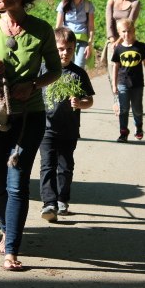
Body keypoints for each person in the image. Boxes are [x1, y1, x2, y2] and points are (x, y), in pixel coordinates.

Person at [0, 0, 62, 271]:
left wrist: (34, 85)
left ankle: (11, 248)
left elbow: (55, 70)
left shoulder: (42, 30)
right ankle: (6, 226)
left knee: (17, 183)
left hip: (30, 117)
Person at [39, 27, 95, 222]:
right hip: (45, 128)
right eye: (60, 49)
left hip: (69, 130)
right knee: (47, 165)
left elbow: (90, 100)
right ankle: (49, 203)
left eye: (69, 49)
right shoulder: (44, 69)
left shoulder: (78, 74)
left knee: (65, 166)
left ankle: (62, 199)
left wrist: (80, 103)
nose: (64, 53)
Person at [111, 18, 145, 142]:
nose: (127, 34)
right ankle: (123, 132)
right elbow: (115, 67)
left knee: (137, 108)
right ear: (119, 33)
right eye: (123, 31)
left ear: (134, 30)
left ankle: (139, 126)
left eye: (129, 31)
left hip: (137, 84)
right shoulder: (118, 49)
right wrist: (114, 85)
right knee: (123, 109)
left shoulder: (140, 47)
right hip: (122, 83)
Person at [104, 0, 141, 90]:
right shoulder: (111, 1)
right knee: (112, 70)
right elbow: (109, 22)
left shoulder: (135, 3)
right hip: (113, 40)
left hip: (127, 40)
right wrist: (112, 41)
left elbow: (130, 23)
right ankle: (116, 97)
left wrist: (120, 41)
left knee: (127, 70)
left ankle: (127, 94)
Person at [55, 0, 95, 69]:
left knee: (79, 66)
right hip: (67, 39)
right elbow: (58, 26)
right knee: (66, 64)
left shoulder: (88, 5)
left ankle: (77, 82)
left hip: (82, 40)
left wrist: (90, 44)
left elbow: (91, 26)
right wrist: (57, 42)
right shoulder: (63, 5)